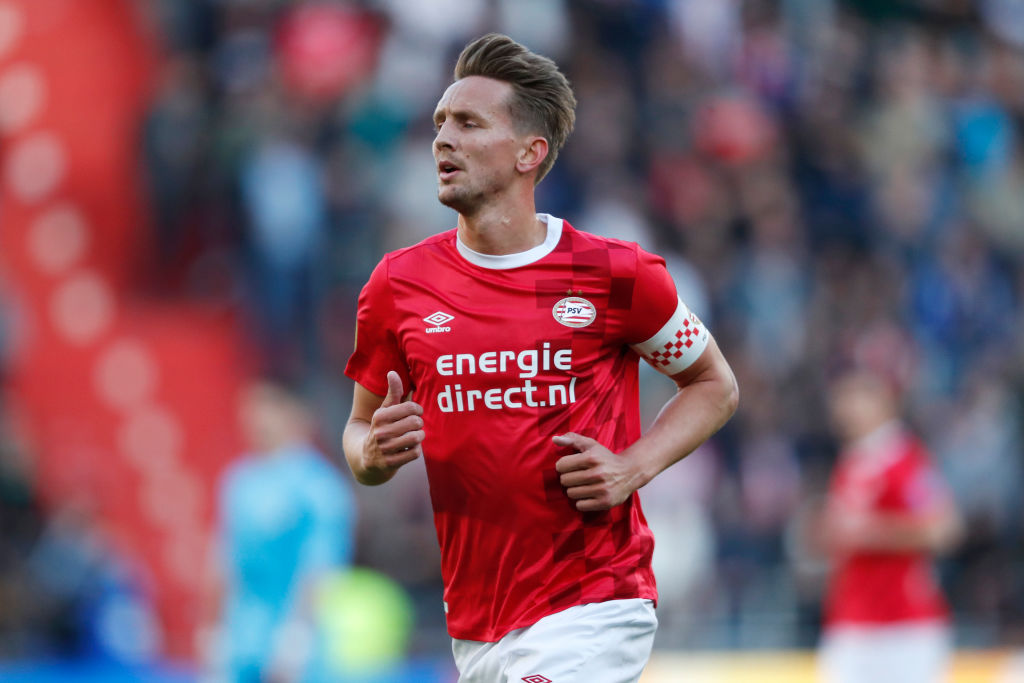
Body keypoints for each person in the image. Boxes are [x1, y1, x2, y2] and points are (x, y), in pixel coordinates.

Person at [343, 34, 738, 682]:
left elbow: (714, 384)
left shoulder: (614, 274)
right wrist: (373, 454)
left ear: (530, 152)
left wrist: (633, 466)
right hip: (477, 620)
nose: (443, 139)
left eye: (469, 123)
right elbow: (359, 432)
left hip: (593, 600)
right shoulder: (397, 285)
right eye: (441, 123)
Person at [818, 367, 963, 683]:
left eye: (855, 397)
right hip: (852, 621)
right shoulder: (851, 462)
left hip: (904, 627)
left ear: (883, 402)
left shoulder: (904, 459)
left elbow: (944, 529)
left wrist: (872, 532)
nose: (844, 408)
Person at [210, 378, 355, 683]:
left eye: (267, 407)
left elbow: (320, 569)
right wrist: (214, 631)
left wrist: (297, 637)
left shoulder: (319, 486)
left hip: (294, 647)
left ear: (295, 414)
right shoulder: (238, 480)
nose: (256, 418)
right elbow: (224, 560)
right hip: (242, 641)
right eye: (250, 408)